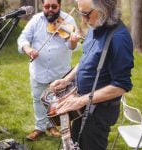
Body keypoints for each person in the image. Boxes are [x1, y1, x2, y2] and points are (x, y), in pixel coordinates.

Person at [50, 0, 134, 149]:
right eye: (80, 13)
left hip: (98, 114)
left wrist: (80, 101)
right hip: (82, 107)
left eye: (86, 14)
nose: (83, 20)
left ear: (104, 10)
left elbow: (121, 86)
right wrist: (67, 79)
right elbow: (87, 59)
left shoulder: (119, 38)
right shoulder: (95, 26)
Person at [17, 0, 79, 141]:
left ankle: (53, 126)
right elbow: (23, 38)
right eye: (47, 6)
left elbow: (72, 47)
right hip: (39, 69)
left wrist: (74, 40)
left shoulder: (69, 20)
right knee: (38, 99)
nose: (50, 9)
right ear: (42, 6)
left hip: (60, 72)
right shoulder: (36, 20)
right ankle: (39, 128)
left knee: (58, 101)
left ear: (60, 6)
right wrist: (28, 49)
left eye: (54, 6)